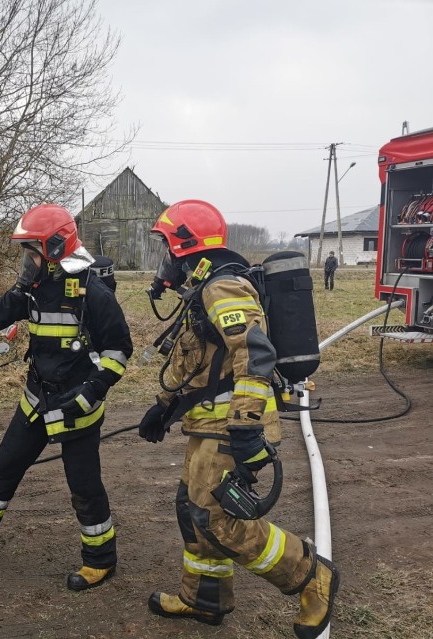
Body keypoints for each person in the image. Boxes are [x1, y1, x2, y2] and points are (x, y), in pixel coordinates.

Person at [137, 200, 339, 639]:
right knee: (192, 512)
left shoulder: (222, 288)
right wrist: (164, 404)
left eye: (167, 249)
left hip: (231, 427)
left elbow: (255, 354)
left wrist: (247, 426)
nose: (164, 261)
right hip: (207, 425)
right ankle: (204, 599)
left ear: (185, 247)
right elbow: (199, 363)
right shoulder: (203, 289)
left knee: (218, 520)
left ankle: (310, 576)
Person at [0, 203, 133, 591]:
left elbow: (119, 351)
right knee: (3, 470)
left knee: (84, 487)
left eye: (30, 252)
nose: (26, 261)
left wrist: (89, 395)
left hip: (77, 410)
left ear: (53, 250)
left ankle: (101, 560)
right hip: (36, 401)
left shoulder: (93, 294)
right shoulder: (31, 290)